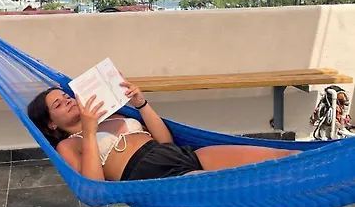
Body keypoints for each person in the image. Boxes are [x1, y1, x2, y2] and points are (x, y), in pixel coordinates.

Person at [27, 76, 301, 182]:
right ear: (51, 123)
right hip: (150, 174)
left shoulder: (114, 114)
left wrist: (141, 103)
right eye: (59, 104)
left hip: (178, 153)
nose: (68, 101)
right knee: (236, 184)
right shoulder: (68, 145)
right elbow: (94, 186)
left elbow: (164, 139)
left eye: (67, 97)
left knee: (276, 157)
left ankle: (320, 167)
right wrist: (88, 131)